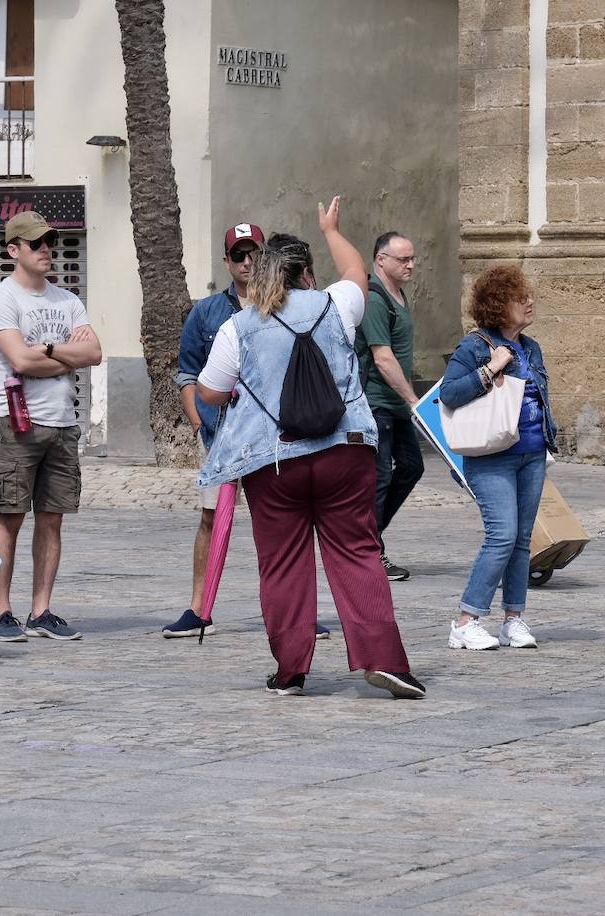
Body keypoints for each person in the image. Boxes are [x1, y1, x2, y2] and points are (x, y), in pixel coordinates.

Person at [195, 198, 426, 700]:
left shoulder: (239, 326)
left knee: (282, 562)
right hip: (346, 449)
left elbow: (209, 392)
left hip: (275, 461)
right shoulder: (335, 304)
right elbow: (357, 270)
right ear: (306, 274)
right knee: (358, 551)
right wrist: (331, 229)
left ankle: (291, 670)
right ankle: (384, 659)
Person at [163, 223, 331, 640]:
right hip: (222, 435)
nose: (247, 262)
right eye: (238, 255)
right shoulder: (206, 313)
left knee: (282, 523)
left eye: (254, 253)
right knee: (210, 518)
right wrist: (199, 423)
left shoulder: (284, 305)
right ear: (226, 262)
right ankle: (199, 608)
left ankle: (297, 611)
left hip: (273, 436)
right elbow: (187, 374)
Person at [0, 210, 103, 643]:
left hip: (63, 424)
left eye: (50, 241)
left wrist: (48, 348)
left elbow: (94, 354)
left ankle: (41, 611)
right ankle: (0, 612)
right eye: (36, 243)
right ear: (13, 250)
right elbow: (19, 359)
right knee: (10, 516)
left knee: (52, 520)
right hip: (16, 423)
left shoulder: (68, 300)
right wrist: (65, 355)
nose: (46, 249)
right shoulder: (2, 299)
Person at [439, 265, 557, 651]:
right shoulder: (475, 346)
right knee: (502, 535)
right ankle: (466, 621)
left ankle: (513, 619)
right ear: (498, 305)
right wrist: (491, 368)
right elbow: (449, 394)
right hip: (492, 457)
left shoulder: (531, 347)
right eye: (520, 298)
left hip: (531, 454)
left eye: (529, 295)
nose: (529, 302)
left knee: (522, 539)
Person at [354, 231, 424, 581]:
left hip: (396, 404)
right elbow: (382, 357)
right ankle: (370, 552)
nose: (411, 265)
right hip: (376, 404)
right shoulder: (374, 298)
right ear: (381, 260)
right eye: (403, 259)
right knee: (379, 478)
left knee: (412, 467)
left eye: (412, 258)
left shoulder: (398, 294)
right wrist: (413, 399)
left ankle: (368, 537)